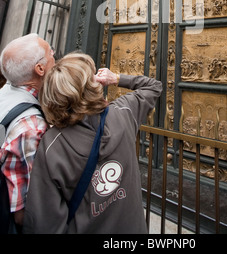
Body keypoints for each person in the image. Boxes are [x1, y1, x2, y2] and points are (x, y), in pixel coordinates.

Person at [23, 52, 162, 234]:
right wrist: (116, 78)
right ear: (92, 87)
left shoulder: (52, 144)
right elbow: (154, 86)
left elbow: (44, 222)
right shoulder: (123, 113)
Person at [0, 33, 55, 232]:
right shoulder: (31, 127)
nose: (54, 58)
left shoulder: (4, 96)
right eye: (51, 54)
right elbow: (24, 212)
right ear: (40, 69)